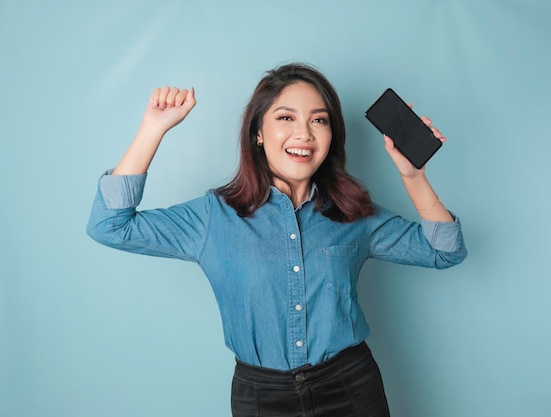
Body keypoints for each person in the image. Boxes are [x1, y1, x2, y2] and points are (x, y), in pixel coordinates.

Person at [87, 62, 467, 417]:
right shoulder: (212, 217)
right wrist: (152, 129)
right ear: (258, 132)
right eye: (286, 118)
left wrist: (414, 177)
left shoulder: (353, 214)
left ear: (331, 136)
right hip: (261, 396)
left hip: (352, 386)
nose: (304, 133)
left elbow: (445, 250)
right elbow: (110, 225)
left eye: (319, 120)